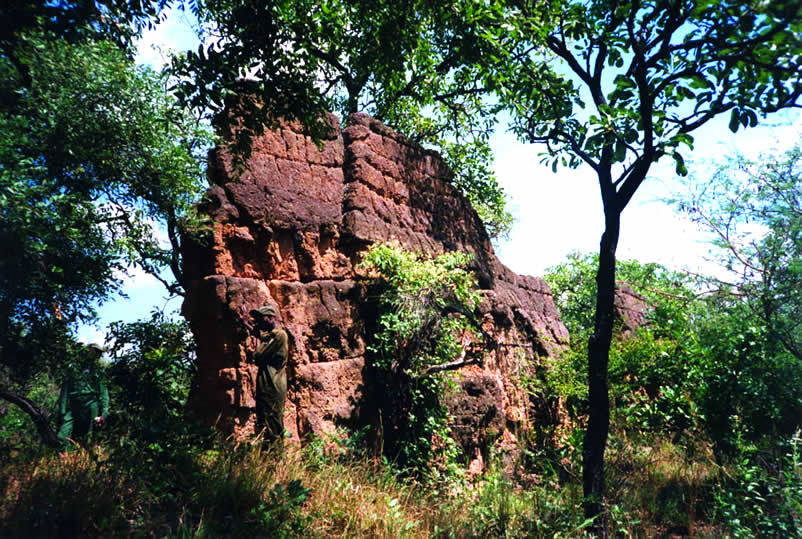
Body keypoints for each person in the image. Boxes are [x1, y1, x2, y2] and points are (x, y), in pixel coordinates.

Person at [249, 304, 288, 449]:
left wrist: (257, 341)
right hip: (266, 385)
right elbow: (263, 336)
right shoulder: (271, 336)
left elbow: (259, 356)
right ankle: (269, 457)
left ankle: (275, 458)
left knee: (273, 422)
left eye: (262, 318)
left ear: (272, 318)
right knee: (265, 421)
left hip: (273, 386)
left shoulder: (279, 335)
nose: (259, 322)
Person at [56, 343, 109, 449]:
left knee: (88, 438)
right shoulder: (73, 369)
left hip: (91, 405)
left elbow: (104, 393)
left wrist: (103, 414)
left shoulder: (98, 371)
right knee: (62, 436)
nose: (94, 355)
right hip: (74, 406)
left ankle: (85, 461)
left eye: (97, 353)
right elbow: (65, 390)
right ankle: (67, 459)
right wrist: (62, 411)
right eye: (93, 351)